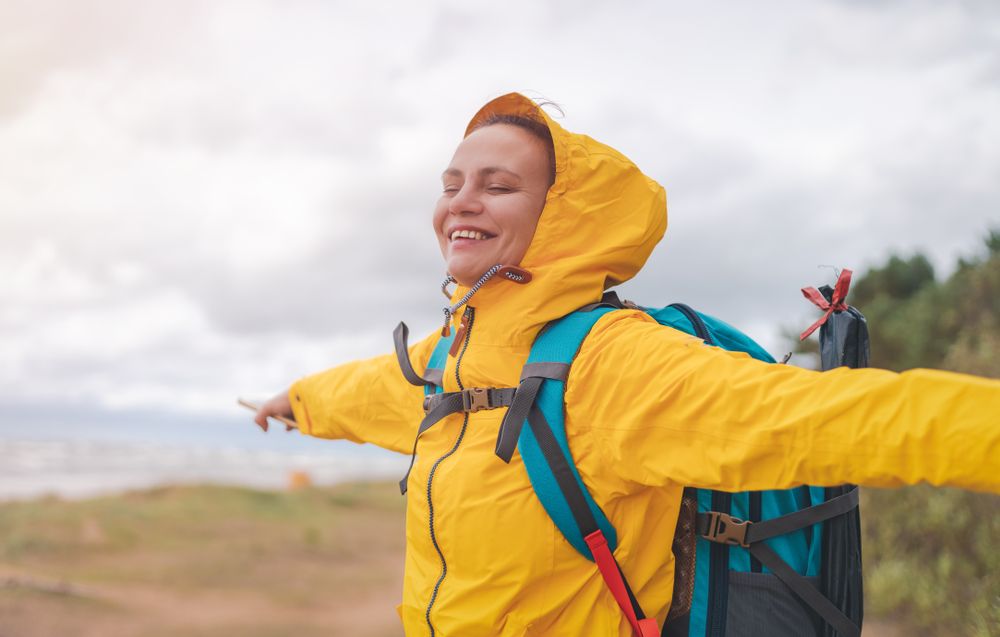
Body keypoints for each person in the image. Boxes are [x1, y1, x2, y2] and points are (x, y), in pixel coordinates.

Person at [253, 92, 1000, 637]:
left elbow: (832, 419)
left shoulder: (617, 365)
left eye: (498, 185)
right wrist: (296, 401)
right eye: (452, 184)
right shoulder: (453, 352)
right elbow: (371, 390)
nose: (461, 203)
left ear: (562, 217)